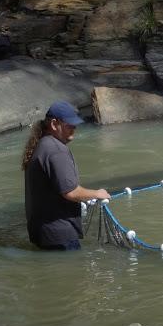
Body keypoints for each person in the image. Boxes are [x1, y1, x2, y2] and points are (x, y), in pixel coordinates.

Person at [22, 101, 111, 251]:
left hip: (43, 234)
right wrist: (98, 193)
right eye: (69, 125)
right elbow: (70, 192)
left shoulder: (43, 144)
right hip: (60, 236)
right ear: (54, 124)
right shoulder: (56, 151)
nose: (74, 128)